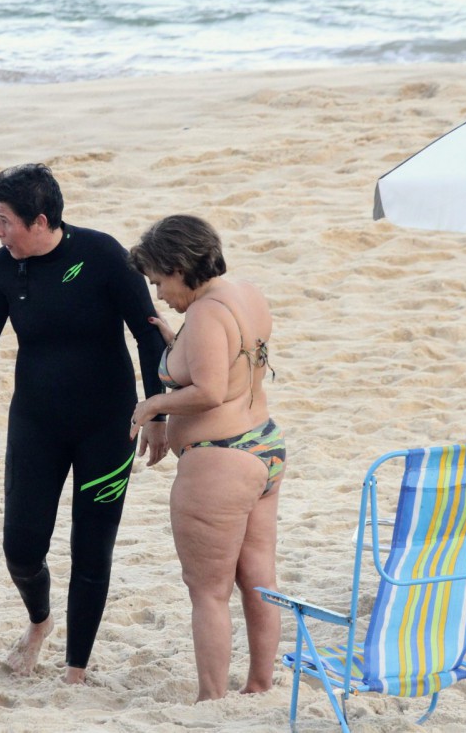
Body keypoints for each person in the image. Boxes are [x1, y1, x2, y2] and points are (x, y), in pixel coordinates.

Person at [0, 163, 168, 685]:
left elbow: (148, 332)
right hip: (36, 424)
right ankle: (40, 621)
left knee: (92, 548)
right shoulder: (4, 266)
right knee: (21, 547)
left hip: (108, 425)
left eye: (4, 221)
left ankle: (76, 668)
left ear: (39, 221)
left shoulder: (103, 256)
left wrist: (156, 408)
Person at [127, 214, 285, 702]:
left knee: (208, 591)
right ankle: (259, 684)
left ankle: (211, 699)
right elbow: (233, 365)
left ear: (179, 266)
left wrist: (153, 403)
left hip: (218, 461)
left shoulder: (205, 315)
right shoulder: (244, 293)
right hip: (263, 446)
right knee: (259, 576)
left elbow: (211, 390)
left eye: (159, 280)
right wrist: (179, 343)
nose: (158, 293)